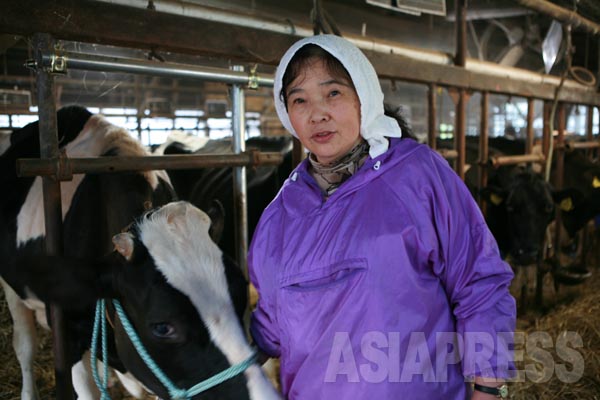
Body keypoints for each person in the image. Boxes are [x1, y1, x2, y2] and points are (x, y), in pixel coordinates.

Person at [248, 34, 516, 400]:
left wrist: (488, 386)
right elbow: (272, 326)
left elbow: (478, 281)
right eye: (299, 100)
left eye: (333, 94)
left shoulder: (418, 176)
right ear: (288, 114)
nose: (317, 113)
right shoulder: (279, 217)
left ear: (365, 94)